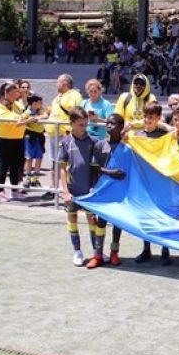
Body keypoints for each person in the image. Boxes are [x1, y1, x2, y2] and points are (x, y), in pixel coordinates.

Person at [58, 107, 101, 267]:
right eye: (81, 125)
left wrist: (93, 187)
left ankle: (96, 251)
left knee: (92, 219)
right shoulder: (65, 143)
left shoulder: (92, 141)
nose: (84, 128)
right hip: (73, 190)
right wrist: (66, 191)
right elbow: (62, 169)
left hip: (88, 190)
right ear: (72, 124)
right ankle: (77, 251)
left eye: (86, 124)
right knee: (72, 218)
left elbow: (95, 168)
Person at [132, 101, 172, 266]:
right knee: (145, 216)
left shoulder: (163, 135)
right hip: (143, 181)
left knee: (162, 215)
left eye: (152, 117)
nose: (148, 120)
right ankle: (146, 248)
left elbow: (175, 132)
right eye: (146, 116)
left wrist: (163, 125)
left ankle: (165, 249)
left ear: (158, 118)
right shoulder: (138, 135)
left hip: (160, 181)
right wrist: (133, 125)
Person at [92, 114, 128, 268]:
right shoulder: (100, 145)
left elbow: (126, 172)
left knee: (116, 223)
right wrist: (110, 172)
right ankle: (98, 254)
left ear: (121, 127)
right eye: (107, 123)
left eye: (112, 123)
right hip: (103, 190)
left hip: (118, 192)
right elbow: (94, 167)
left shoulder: (126, 149)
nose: (108, 126)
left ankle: (114, 252)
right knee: (101, 222)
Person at [0, 82, 35, 202]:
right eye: (15, 91)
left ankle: (14, 190)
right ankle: (0, 192)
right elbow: (10, 119)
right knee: (4, 165)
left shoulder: (16, 104)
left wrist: (29, 111)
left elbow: (24, 114)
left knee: (17, 165)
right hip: (4, 138)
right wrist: (24, 118)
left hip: (18, 137)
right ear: (7, 92)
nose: (18, 94)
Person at [44, 74, 84, 200]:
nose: (57, 84)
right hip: (53, 134)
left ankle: (70, 190)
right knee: (54, 161)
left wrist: (69, 130)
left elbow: (76, 113)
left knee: (67, 163)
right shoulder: (58, 97)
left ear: (65, 83)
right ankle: (53, 188)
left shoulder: (74, 95)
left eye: (58, 82)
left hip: (64, 135)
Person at [23, 95, 47, 190]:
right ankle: (28, 177)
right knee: (29, 157)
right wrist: (29, 120)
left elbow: (45, 116)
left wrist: (37, 118)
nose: (41, 105)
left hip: (40, 136)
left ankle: (35, 178)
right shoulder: (27, 112)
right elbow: (22, 119)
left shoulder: (41, 111)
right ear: (34, 103)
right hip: (30, 137)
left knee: (39, 157)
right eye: (39, 103)